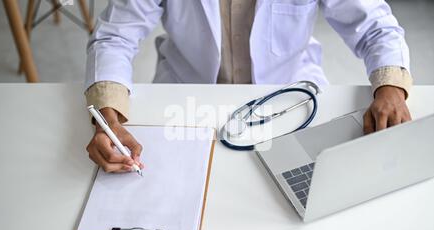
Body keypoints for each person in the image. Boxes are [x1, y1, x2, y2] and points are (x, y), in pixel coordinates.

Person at [85, 0, 413, 173]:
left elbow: (375, 27)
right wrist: (108, 119)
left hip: (289, 101)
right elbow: (115, 36)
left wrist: (390, 90)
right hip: (187, 99)